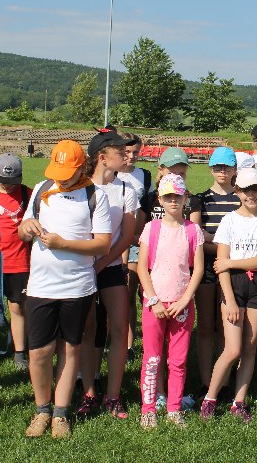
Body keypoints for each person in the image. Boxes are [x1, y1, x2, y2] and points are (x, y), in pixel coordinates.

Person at [18, 140, 111, 439]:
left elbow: (102, 244)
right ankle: (42, 409)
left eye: (68, 174)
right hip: (41, 286)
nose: (62, 179)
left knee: (70, 349)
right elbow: (22, 231)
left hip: (77, 287)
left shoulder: (95, 195)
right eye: (58, 173)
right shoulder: (42, 189)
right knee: (39, 352)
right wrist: (27, 227)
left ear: (82, 167)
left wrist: (63, 244)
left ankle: (60, 412)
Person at [200, 167, 257, 423]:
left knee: (250, 346)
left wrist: (231, 263)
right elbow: (220, 266)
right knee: (233, 348)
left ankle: (239, 401)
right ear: (237, 192)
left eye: (256, 189)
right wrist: (230, 299)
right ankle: (210, 398)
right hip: (233, 287)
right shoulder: (229, 221)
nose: (251, 195)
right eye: (246, 190)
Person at [77, 130, 138, 420]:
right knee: (88, 330)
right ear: (102, 157)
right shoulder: (80, 187)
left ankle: (113, 395)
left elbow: (126, 237)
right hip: (82, 268)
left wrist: (102, 264)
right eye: (120, 151)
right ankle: (89, 392)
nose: (127, 155)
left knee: (119, 329)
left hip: (110, 267)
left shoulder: (126, 189)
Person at [137, 174, 205, 429]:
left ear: (186, 198)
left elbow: (198, 269)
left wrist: (185, 300)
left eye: (178, 196)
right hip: (154, 304)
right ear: (160, 199)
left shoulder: (193, 230)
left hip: (181, 305)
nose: (173, 201)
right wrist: (154, 300)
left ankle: (174, 409)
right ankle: (148, 409)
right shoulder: (151, 228)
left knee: (177, 360)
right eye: (168, 197)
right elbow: (142, 268)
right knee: (152, 359)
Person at [196, 147, 240, 400]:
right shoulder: (201, 200)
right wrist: (226, 246)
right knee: (205, 327)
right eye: (217, 167)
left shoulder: (241, 198)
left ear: (235, 169)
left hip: (232, 270)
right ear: (211, 168)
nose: (222, 171)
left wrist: (216, 242)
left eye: (226, 167)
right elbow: (198, 238)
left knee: (226, 328)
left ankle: (222, 382)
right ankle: (205, 381)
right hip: (206, 269)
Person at [0, 153, 31, 370]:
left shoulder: (28, 194)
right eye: (4, 181)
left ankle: (20, 352)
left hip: (20, 262)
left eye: (13, 181)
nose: (9, 185)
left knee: (17, 307)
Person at [117, 132, 151, 362]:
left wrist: (138, 236)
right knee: (117, 294)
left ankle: (129, 345)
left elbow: (147, 210)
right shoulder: (111, 174)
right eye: (126, 152)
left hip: (136, 240)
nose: (131, 156)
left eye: (135, 152)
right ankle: (115, 338)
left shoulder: (144, 176)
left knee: (131, 292)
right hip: (112, 241)